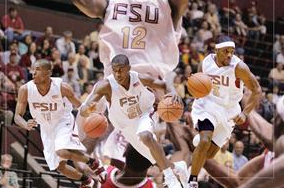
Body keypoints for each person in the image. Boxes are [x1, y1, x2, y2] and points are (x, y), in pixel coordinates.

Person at [81, 54, 188, 188]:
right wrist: (87, 110)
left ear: (129, 68)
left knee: (145, 135)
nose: (118, 73)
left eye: (121, 69)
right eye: (115, 70)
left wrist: (172, 91)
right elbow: (84, 108)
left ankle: (170, 176)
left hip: (144, 113)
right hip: (126, 126)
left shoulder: (140, 79)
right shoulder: (106, 86)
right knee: (154, 158)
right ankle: (178, 168)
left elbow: (164, 85)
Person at [14, 59, 106, 188]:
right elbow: (17, 116)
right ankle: (86, 180)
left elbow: (80, 105)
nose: (33, 73)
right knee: (60, 167)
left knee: (62, 151)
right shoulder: (25, 89)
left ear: (48, 73)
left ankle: (93, 163)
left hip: (63, 121)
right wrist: (25, 124)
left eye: (37, 70)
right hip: (46, 127)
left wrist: (89, 111)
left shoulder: (62, 87)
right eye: (32, 70)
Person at [188, 35, 262, 188]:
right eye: (226, 51)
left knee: (208, 154)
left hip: (229, 110)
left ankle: (200, 146)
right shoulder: (206, 63)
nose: (229, 55)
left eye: (232, 51)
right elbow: (196, 82)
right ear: (216, 50)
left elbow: (257, 90)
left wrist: (245, 113)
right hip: (208, 104)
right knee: (204, 140)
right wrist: (194, 89)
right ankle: (192, 181)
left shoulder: (239, 67)